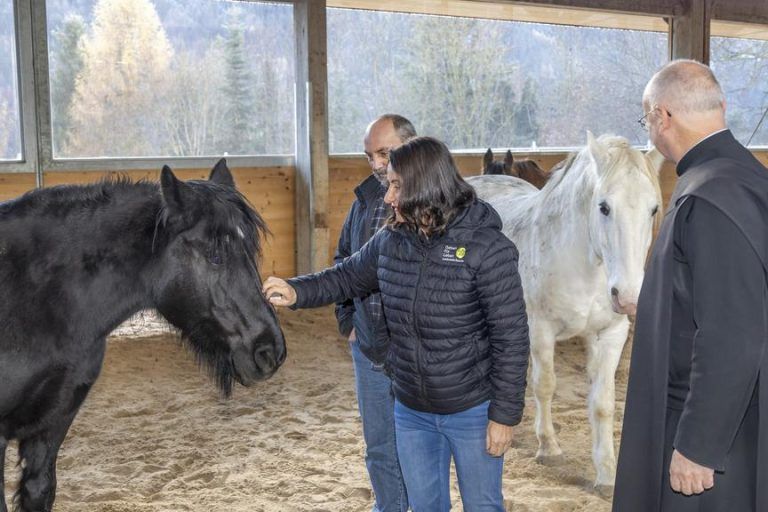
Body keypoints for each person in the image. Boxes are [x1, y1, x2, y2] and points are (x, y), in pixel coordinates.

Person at [264, 136, 530, 511]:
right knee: (424, 506)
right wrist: (294, 291)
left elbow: (512, 337)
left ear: (423, 186)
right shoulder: (390, 240)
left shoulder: (487, 248)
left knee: (483, 506)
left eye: (396, 186)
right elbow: (345, 277)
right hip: (411, 409)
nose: (388, 197)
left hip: (471, 409)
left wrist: (504, 415)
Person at [613, 59, 768, 512]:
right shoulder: (745, 176)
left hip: (713, 439)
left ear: (663, 116)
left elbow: (733, 332)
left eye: (647, 120)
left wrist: (699, 445)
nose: (650, 131)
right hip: (739, 417)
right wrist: (663, 305)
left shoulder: (712, 196)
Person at [334, 114, 416, 512]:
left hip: (417, 350)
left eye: (385, 153)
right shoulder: (364, 201)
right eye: (370, 156)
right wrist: (349, 320)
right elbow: (343, 261)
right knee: (380, 446)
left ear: (410, 144)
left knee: (420, 445)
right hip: (369, 348)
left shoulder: (436, 202)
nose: (377, 164)